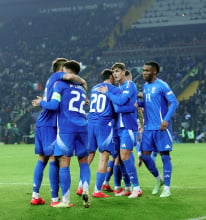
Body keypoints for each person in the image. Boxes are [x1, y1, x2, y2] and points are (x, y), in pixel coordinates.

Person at [32, 60, 90, 208]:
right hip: (54, 123)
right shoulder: (61, 78)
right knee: (55, 159)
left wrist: (41, 102)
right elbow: (72, 79)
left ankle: (36, 195)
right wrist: (83, 82)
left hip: (44, 122)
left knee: (44, 159)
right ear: (62, 69)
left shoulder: (53, 80)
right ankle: (55, 198)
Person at [99, 62, 142, 198]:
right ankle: (128, 187)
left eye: (117, 71)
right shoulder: (119, 87)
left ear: (124, 72)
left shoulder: (130, 85)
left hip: (128, 125)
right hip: (118, 126)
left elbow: (121, 101)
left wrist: (108, 94)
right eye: (114, 72)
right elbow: (118, 106)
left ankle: (137, 188)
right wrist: (128, 107)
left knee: (125, 156)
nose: (115, 74)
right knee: (120, 157)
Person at [138, 61, 178, 198]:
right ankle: (158, 179)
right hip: (148, 128)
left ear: (154, 72)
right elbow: (146, 103)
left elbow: (174, 102)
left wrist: (166, 119)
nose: (144, 73)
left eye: (147, 70)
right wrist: (137, 101)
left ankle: (167, 188)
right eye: (143, 70)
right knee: (144, 156)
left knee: (165, 157)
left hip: (161, 127)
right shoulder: (145, 86)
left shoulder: (162, 85)